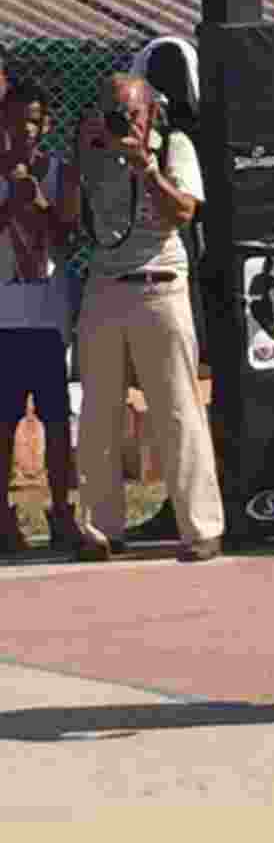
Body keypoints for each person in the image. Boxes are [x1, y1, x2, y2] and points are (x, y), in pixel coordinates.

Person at [73, 73, 224, 561]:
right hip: (105, 286)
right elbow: (73, 219)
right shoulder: (93, 150)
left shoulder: (174, 146)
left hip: (160, 283)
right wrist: (83, 156)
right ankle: (100, 529)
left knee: (178, 408)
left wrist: (146, 167)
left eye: (132, 113)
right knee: (98, 412)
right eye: (114, 113)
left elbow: (184, 212)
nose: (124, 122)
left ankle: (201, 529)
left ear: (152, 112)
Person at [124, 34, 215, 545]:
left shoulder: (192, 136)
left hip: (199, 274)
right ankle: (183, 503)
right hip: (175, 274)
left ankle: (201, 502)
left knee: (190, 395)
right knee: (179, 395)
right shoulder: (150, 138)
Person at [0, 80, 83, 553]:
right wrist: (8, 201)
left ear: (46, 124)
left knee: (56, 419)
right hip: (4, 316)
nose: (24, 129)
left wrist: (37, 202)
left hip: (48, 315)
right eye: (15, 119)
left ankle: (63, 511)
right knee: (3, 420)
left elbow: (69, 235)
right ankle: (4, 518)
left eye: (33, 119)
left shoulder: (60, 172)